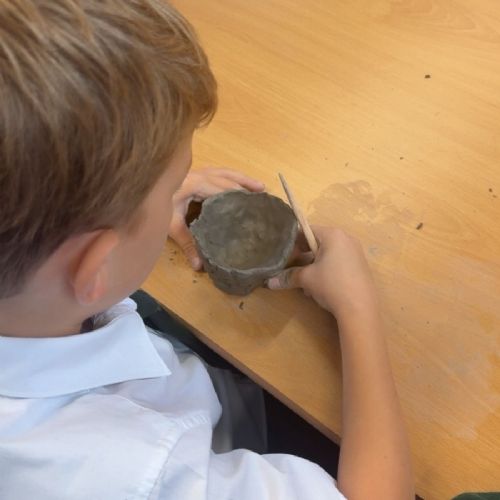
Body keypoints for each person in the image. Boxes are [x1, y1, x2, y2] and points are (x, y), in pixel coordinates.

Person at [0, 1, 413, 499]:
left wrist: (134, 202)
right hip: (226, 444)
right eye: (173, 186)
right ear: (96, 266)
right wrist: (358, 309)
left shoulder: (31, 299)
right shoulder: (140, 473)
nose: (182, 190)